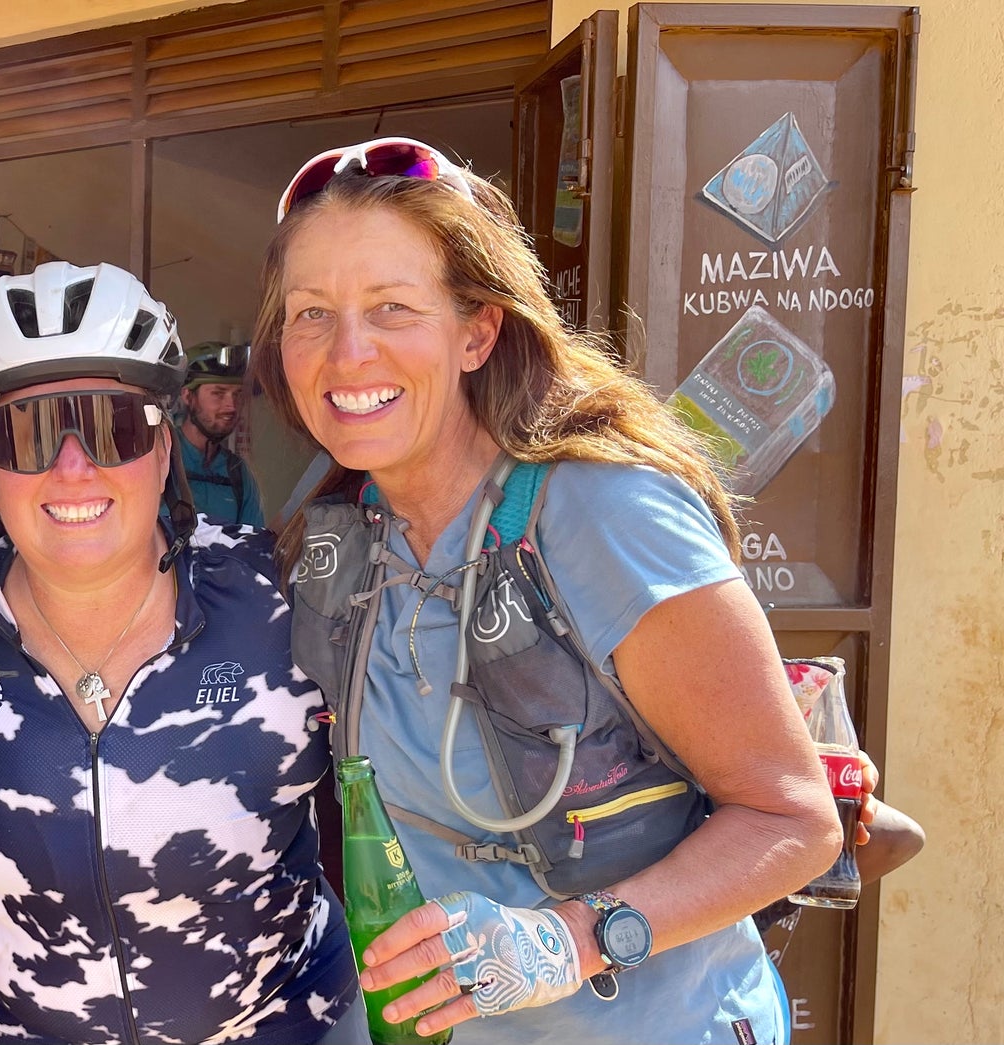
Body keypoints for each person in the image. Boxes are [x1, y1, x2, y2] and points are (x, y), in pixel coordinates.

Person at [253, 137, 847, 1043]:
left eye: (393, 307)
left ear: (477, 331)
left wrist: (568, 942)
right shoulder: (338, 529)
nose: (348, 352)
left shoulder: (603, 510)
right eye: (310, 313)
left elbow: (795, 820)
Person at [0, 260, 361, 1044]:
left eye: (111, 427)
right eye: (28, 433)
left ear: (163, 445)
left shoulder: (285, 596)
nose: (72, 468)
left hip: (285, 1022)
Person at [177, 341, 265, 527]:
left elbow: (250, 547)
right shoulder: (158, 459)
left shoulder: (239, 474)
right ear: (187, 396)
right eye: (218, 393)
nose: (231, 406)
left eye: (238, 394)